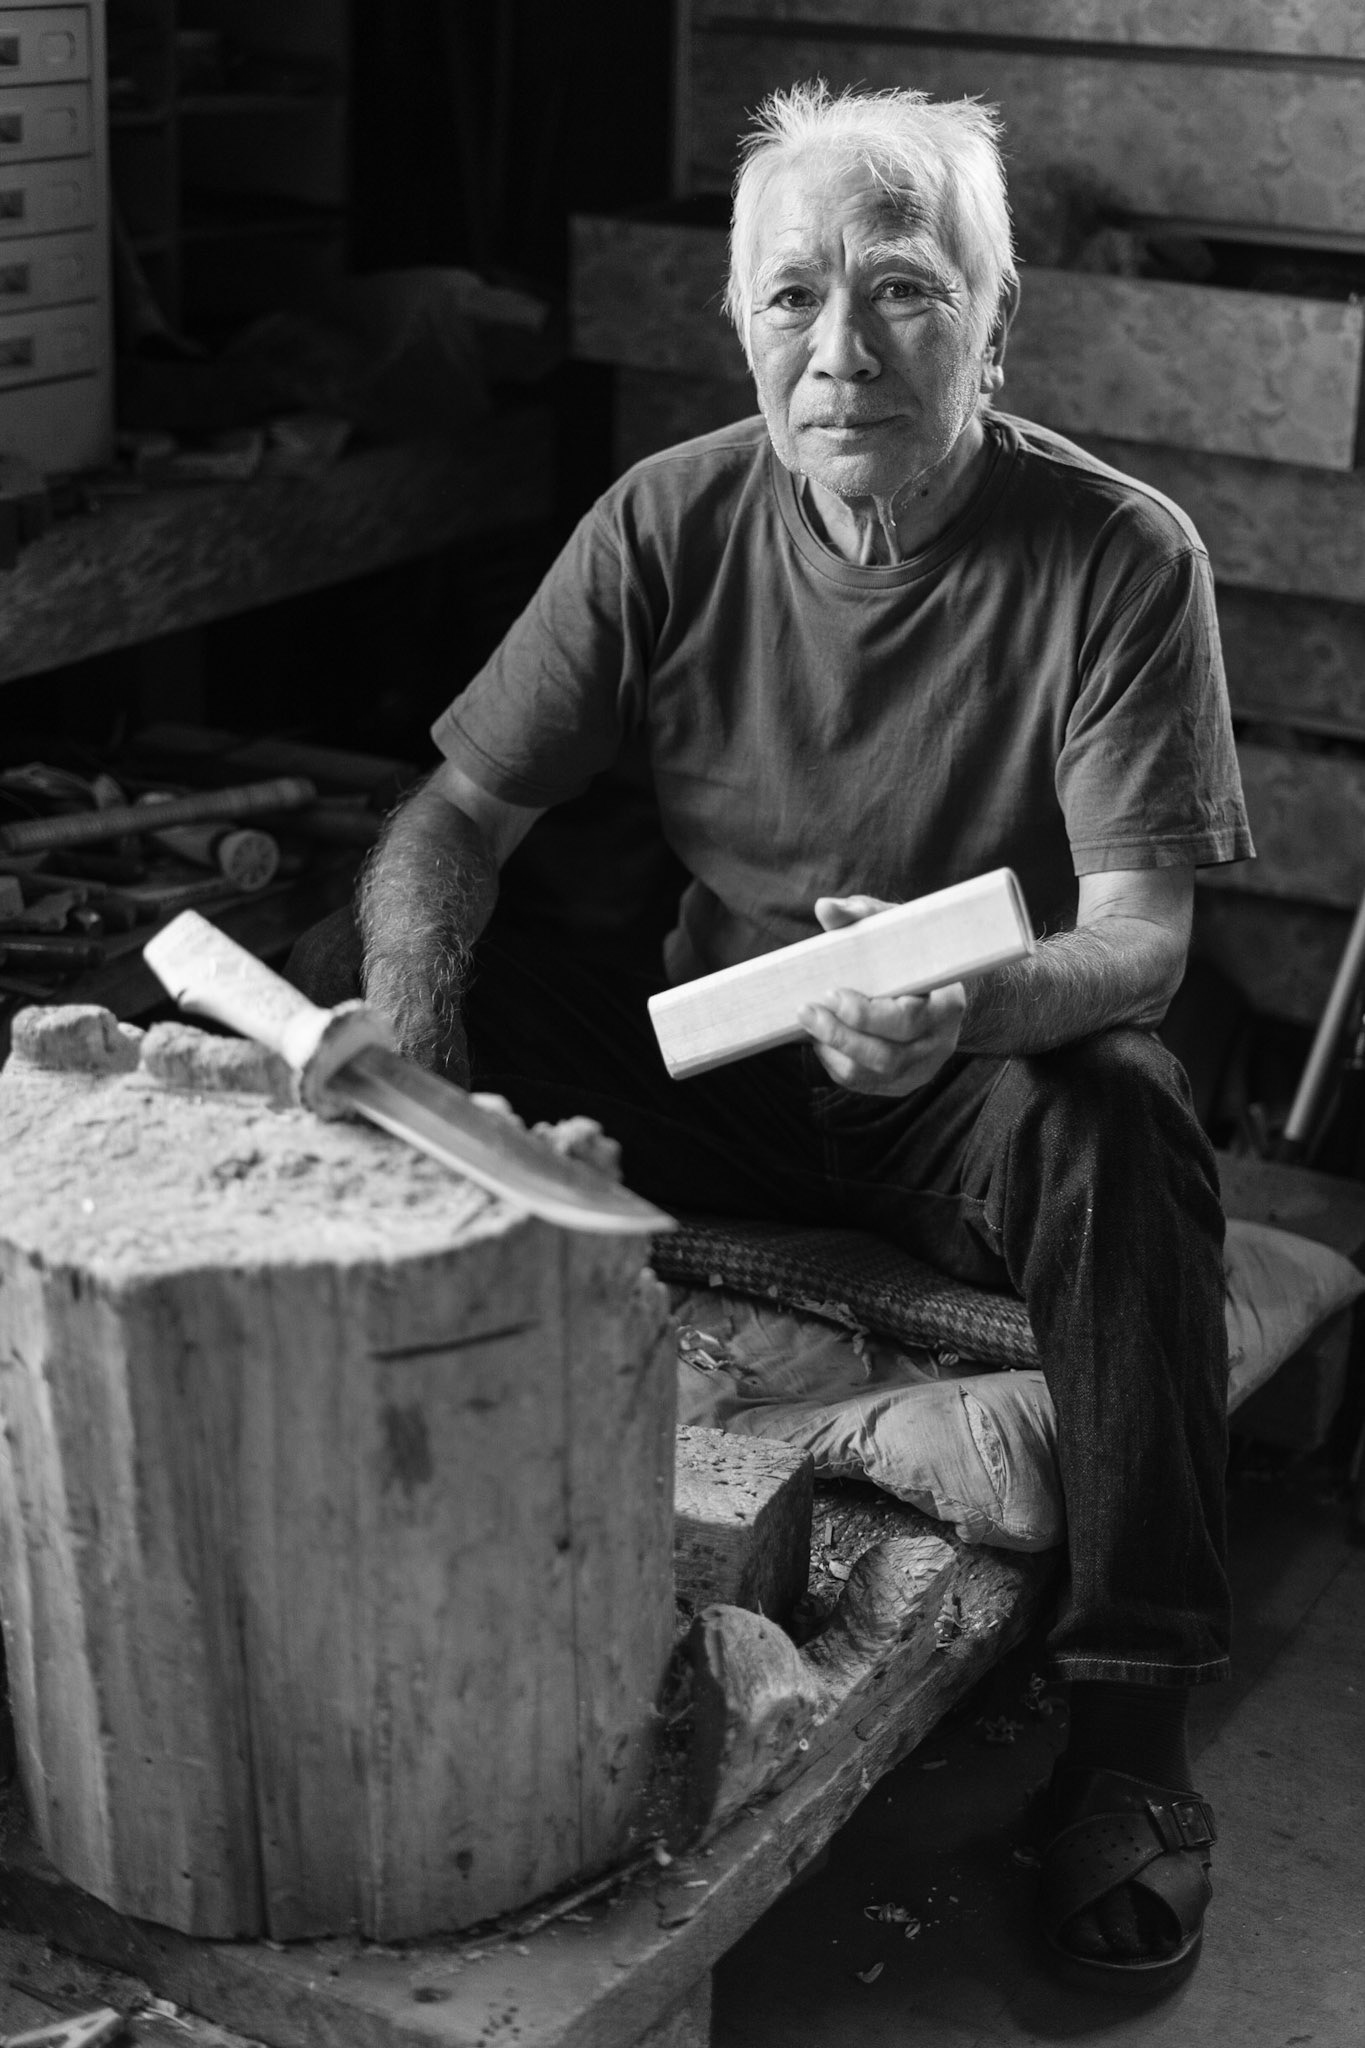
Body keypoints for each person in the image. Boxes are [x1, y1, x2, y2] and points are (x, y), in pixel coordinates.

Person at [293, 81, 1253, 1994]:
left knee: (1124, 1116)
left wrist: (965, 1007)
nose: (841, 350)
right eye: (793, 295)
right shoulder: (665, 517)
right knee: (366, 957)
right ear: (739, 323)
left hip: (969, 1085)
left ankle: (1130, 1740)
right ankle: (344, 1492)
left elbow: (1140, 936)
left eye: (901, 290)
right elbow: (458, 819)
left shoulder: (1118, 555)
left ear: (994, 322)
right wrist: (412, 1032)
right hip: (721, 1062)